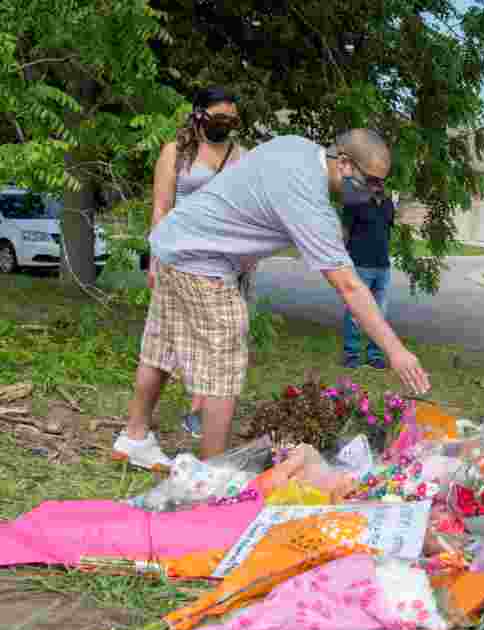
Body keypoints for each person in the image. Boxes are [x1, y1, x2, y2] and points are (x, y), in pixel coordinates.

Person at [112, 129, 430, 468]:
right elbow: (349, 286)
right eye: (372, 182)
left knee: (161, 348)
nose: (375, 192)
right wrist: (395, 350)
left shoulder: (296, 146)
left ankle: (134, 438)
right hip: (201, 263)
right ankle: (212, 476)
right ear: (345, 164)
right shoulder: (308, 201)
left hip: (173, 242)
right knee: (224, 367)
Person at [148, 87, 247, 439]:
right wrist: (155, 258)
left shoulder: (241, 156)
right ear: (199, 114)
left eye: (231, 120)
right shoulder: (176, 153)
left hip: (224, 263)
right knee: (172, 339)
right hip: (181, 258)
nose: (225, 125)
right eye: (218, 118)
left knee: (216, 341)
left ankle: (199, 413)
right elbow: (161, 209)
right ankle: (185, 416)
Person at [342, 184, 395, 370]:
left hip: (383, 267)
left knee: (379, 314)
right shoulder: (355, 201)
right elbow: (345, 232)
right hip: (360, 265)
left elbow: (387, 232)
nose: (379, 183)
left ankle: (375, 355)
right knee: (355, 312)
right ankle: (351, 354)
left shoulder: (388, 203)